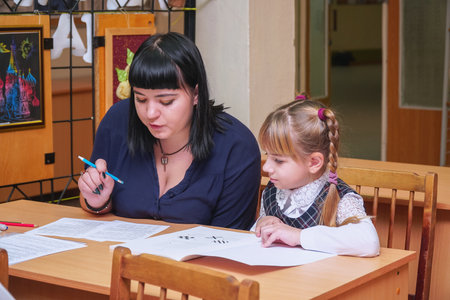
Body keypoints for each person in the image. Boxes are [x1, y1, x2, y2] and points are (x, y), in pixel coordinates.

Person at [78, 32, 260, 230]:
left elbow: (229, 242)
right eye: (140, 99)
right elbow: (91, 204)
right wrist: (97, 201)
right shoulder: (118, 121)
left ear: (196, 94)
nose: (150, 113)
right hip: (119, 255)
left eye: (166, 101)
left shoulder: (236, 147)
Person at [253, 95, 380, 257]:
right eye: (267, 155)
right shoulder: (272, 191)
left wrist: (298, 236)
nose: (266, 167)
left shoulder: (339, 197)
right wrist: (262, 223)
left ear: (314, 162)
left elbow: (369, 242)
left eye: (278, 160)